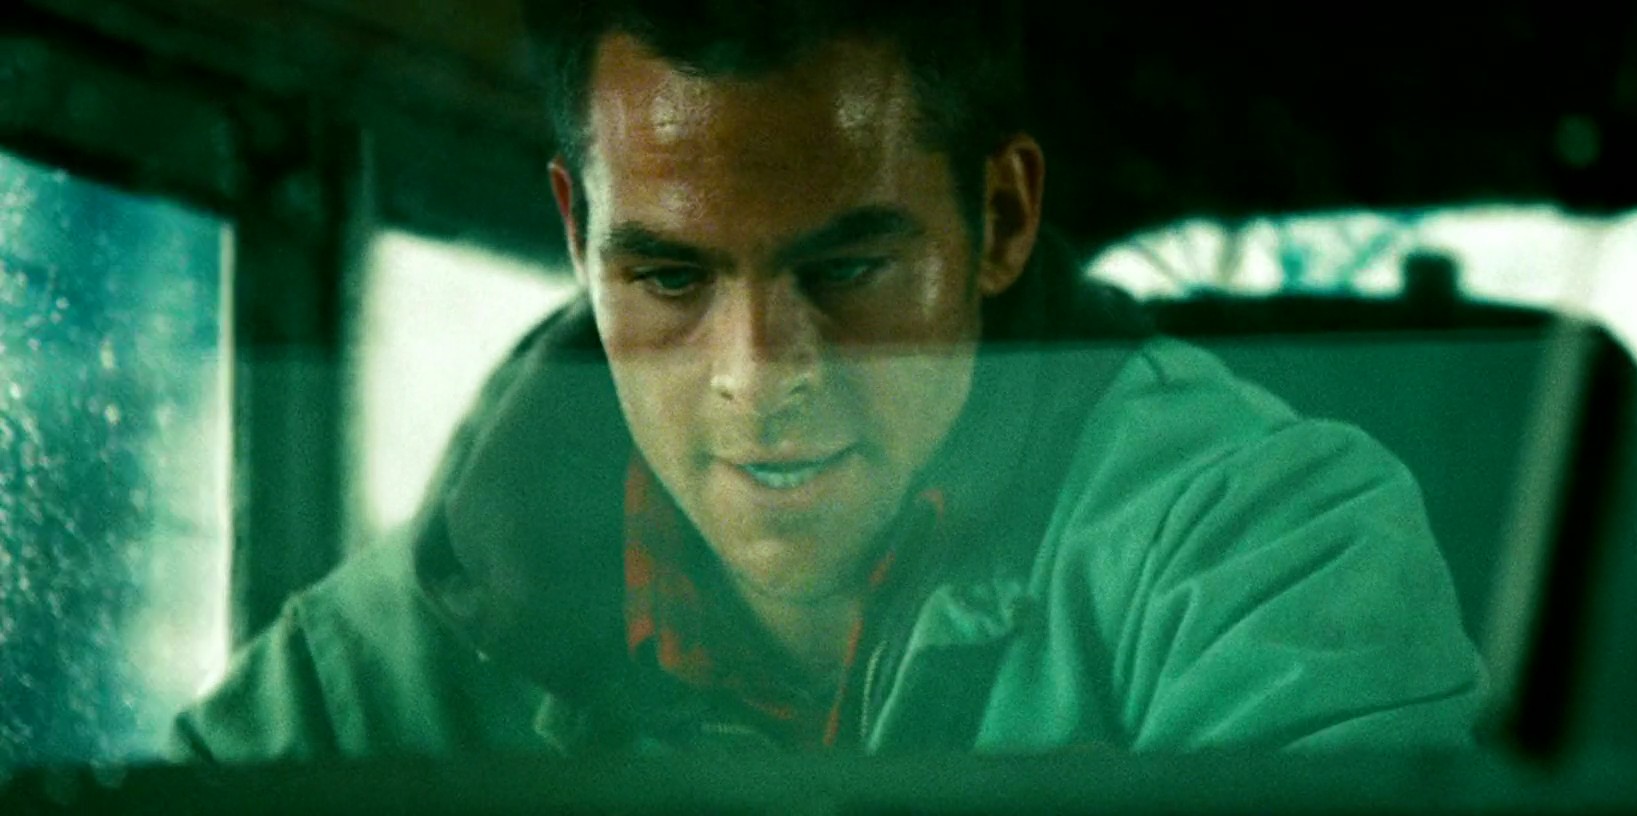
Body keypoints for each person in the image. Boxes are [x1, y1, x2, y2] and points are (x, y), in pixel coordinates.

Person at [169, 0, 1484, 760]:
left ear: (1001, 219)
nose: (757, 377)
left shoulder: (1270, 550)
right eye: (670, 278)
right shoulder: (396, 651)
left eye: (847, 268)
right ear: (578, 240)